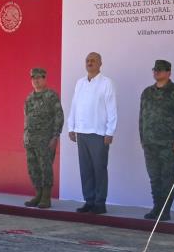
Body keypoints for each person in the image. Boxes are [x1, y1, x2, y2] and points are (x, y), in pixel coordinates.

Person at [139, 60, 174, 221]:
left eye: (160, 70)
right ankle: (157, 207)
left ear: (169, 72)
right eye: (155, 70)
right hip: (150, 143)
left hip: (168, 144)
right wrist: (142, 138)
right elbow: (142, 118)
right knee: (154, 177)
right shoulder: (147, 92)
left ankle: (165, 210)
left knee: (167, 177)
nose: (157, 73)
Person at [67, 52, 117, 215]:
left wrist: (110, 131)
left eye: (93, 60)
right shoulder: (80, 83)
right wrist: (71, 127)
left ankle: (100, 203)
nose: (90, 62)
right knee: (86, 169)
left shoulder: (106, 83)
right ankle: (89, 201)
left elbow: (111, 108)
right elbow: (74, 105)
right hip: (81, 132)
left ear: (100, 63)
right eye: (88, 60)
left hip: (98, 133)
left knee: (99, 169)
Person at [23, 68, 64, 209]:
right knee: (33, 168)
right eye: (33, 78)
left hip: (46, 140)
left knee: (45, 167)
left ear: (45, 79)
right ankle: (38, 194)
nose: (36, 80)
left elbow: (59, 116)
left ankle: (46, 197)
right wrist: (25, 135)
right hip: (31, 140)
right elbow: (26, 118)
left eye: (39, 77)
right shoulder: (29, 98)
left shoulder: (51, 96)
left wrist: (55, 136)